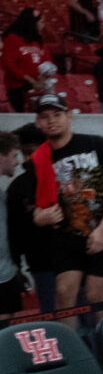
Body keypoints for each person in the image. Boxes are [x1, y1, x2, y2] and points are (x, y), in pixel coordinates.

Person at [27, 94, 103, 328]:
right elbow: (34, 209)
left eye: (57, 114)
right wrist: (40, 218)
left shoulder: (96, 144)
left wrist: (102, 230)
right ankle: (73, 354)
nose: (52, 120)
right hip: (66, 235)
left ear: (69, 116)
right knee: (63, 293)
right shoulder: (38, 159)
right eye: (45, 116)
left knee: (96, 293)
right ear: (38, 122)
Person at [6, 123, 57, 314]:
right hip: (42, 265)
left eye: (30, 151)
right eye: (22, 153)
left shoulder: (64, 176)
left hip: (76, 263)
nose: (26, 159)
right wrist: (17, 267)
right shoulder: (18, 187)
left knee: (91, 317)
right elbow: (13, 232)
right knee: (55, 320)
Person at [2, 8, 53, 112]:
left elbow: (48, 62)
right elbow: (8, 64)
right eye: (41, 22)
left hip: (38, 85)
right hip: (18, 87)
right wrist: (31, 80)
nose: (44, 25)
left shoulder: (39, 40)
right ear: (32, 23)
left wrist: (42, 79)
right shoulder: (13, 38)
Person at [0, 132, 26, 320]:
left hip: (6, 274)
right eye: (14, 155)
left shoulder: (2, 195)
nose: (17, 162)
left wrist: (14, 268)